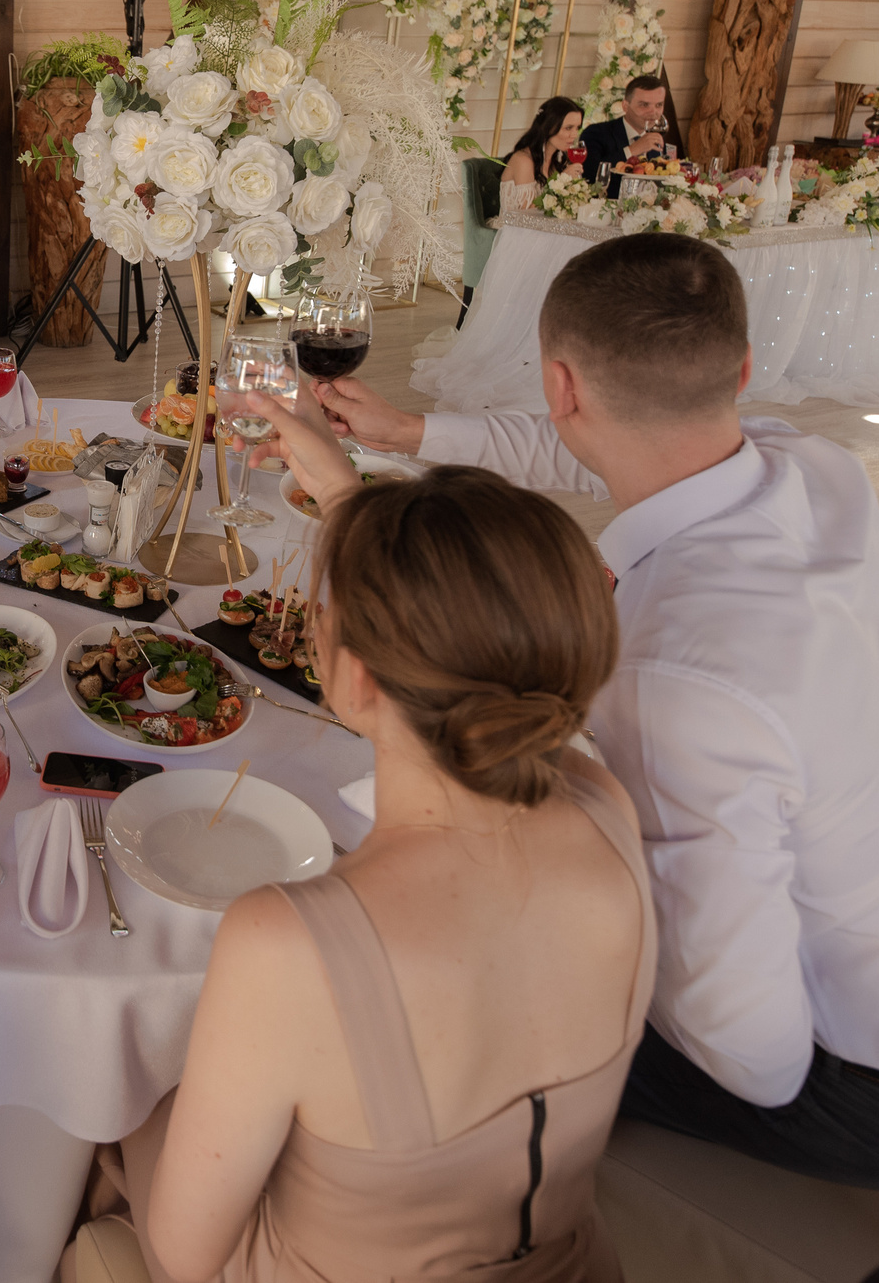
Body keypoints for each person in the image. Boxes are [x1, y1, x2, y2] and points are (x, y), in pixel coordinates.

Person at [274, 233, 879, 1193]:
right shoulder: (811, 465)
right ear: (743, 370)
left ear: (559, 385)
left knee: (432, 964)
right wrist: (407, 437)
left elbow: (752, 1057)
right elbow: (608, 445)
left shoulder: (682, 678)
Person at [109, 467, 649, 1283]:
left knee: (110, 1091)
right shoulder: (605, 805)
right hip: (578, 1257)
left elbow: (188, 1258)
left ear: (354, 675)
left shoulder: (288, 940)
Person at [498, 96, 586, 221]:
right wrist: (562, 181)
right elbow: (528, 214)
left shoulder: (559, 160)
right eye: (568, 128)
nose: (574, 135)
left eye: (577, 128)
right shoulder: (523, 160)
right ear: (549, 127)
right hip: (517, 231)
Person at [576, 75, 672, 184]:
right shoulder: (596, 133)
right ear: (625, 106)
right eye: (644, 105)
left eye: (659, 105)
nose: (653, 112)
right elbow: (588, 175)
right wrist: (631, 150)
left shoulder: (657, 139)